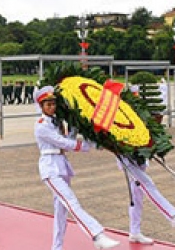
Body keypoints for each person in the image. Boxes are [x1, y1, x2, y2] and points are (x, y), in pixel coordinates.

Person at [33, 86, 120, 249]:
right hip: (50, 168)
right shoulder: (41, 125)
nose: (52, 107)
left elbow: (67, 140)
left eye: (53, 104)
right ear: (41, 106)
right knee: (71, 202)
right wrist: (86, 145)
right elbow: (62, 142)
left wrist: (76, 127)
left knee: (61, 211)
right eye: (48, 104)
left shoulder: (57, 121)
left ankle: (56, 247)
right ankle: (96, 235)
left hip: (61, 164)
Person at [115, 154, 175, 244]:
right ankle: (173, 215)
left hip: (139, 156)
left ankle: (135, 232)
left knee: (136, 196)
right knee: (147, 184)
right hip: (126, 159)